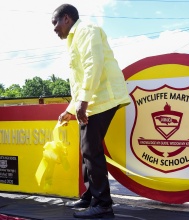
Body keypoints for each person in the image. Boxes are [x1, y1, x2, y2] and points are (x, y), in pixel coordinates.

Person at [52, 4, 131, 219]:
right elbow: (79, 81)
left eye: (55, 23)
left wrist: (84, 101)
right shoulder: (75, 38)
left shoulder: (86, 31)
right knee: (86, 148)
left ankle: (103, 204)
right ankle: (90, 196)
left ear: (66, 18)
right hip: (94, 100)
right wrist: (71, 108)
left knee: (91, 150)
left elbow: (92, 65)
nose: (54, 29)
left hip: (102, 98)